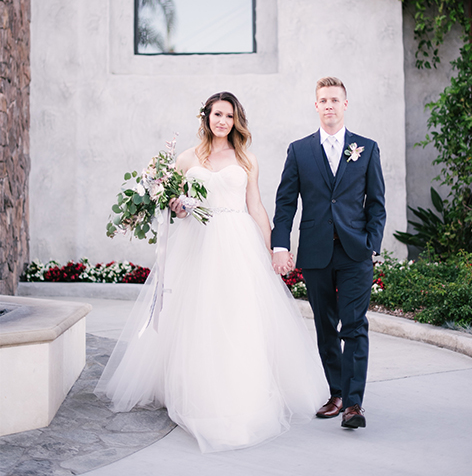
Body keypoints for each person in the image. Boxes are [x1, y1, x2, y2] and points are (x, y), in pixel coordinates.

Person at [95, 92, 324, 453]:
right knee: (196, 314)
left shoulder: (246, 159)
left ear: (236, 121)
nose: (223, 121)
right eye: (217, 114)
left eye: (229, 116)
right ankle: (195, 384)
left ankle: (239, 386)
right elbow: (178, 208)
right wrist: (178, 207)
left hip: (237, 241)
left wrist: (274, 249)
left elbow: (257, 207)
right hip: (197, 242)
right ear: (206, 117)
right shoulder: (187, 158)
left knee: (237, 314)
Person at [271, 77, 386, 429]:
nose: (329, 105)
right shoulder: (299, 150)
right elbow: (285, 202)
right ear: (316, 105)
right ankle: (336, 393)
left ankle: (353, 404)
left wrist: (371, 245)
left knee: (354, 326)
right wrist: (280, 244)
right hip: (316, 253)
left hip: (355, 254)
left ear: (345, 104)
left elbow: (377, 205)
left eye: (335, 99)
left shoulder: (367, 148)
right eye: (323, 100)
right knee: (325, 327)